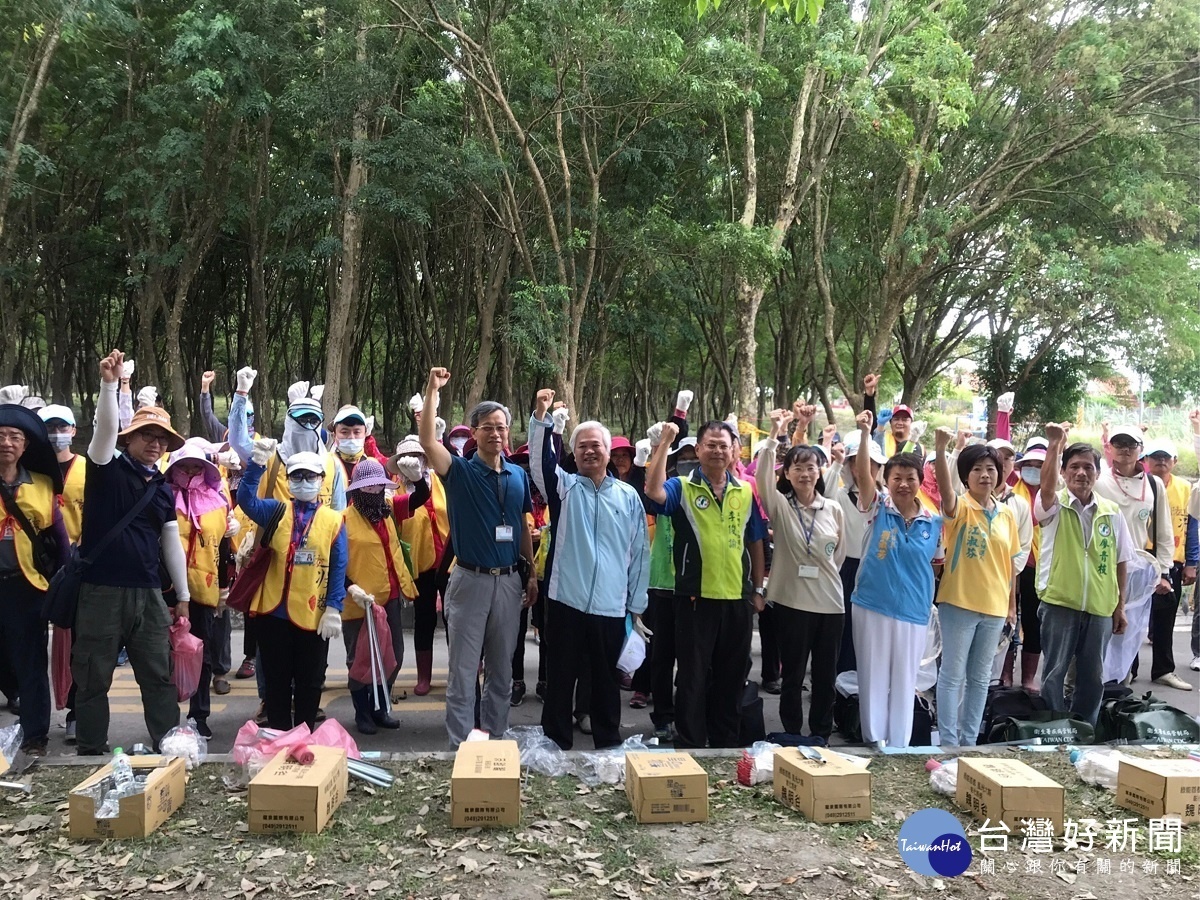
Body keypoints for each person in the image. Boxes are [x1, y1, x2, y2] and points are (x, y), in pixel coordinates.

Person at [73, 349, 190, 756]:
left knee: (159, 675)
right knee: (92, 675)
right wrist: (110, 384)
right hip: (101, 590)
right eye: (147, 436)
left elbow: (170, 540)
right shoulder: (105, 468)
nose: (155, 444)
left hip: (149, 594)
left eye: (162, 439)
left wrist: (184, 596)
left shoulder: (162, 488)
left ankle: (169, 747)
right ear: (130, 439)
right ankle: (89, 748)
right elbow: (103, 432)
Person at [419, 367, 537, 748]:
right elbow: (427, 442)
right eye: (487, 426)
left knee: (502, 672)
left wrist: (531, 575)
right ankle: (461, 748)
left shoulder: (517, 476)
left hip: (509, 582)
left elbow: (520, 527)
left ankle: (496, 739)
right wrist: (432, 390)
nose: (496, 433)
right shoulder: (460, 472)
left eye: (501, 427)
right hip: (469, 582)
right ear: (474, 433)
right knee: (464, 672)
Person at [528, 390, 649, 749]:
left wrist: (637, 604)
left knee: (605, 681)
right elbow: (539, 464)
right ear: (574, 453)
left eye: (595, 445)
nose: (589, 451)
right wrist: (542, 419)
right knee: (561, 677)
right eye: (581, 446)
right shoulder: (565, 488)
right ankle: (554, 744)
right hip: (566, 600)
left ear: (608, 452)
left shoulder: (627, 497)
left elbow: (640, 552)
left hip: (611, 606)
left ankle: (608, 742)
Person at [644, 419, 767, 749]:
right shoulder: (682, 487)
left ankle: (725, 744)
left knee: (731, 677)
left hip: (737, 600)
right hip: (695, 599)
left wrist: (758, 589)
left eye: (723, 445)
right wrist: (665, 445)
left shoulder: (744, 491)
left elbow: (755, 541)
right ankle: (691, 744)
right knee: (692, 678)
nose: (716, 450)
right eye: (710, 445)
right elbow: (653, 492)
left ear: (733, 451)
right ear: (698, 450)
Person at [848, 410, 943, 750]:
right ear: (886, 480)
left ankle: (899, 745)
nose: (903, 483)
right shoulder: (877, 508)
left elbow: (936, 564)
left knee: (905, 680)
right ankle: (874, 739)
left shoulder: (933, 522)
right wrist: (864, 434)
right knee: (873, 676)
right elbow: (862, 475)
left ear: (920, 481)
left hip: (914, 612)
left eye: (910, 477)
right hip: (872, 604)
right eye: (896, 477)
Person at [237, 441, 347, 730]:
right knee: (276, 682)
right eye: (296, 476)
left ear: (322, 480)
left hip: (313, 614)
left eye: (310, 476)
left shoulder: (334, 520)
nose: (304, 482)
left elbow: (338, 566)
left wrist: (335, 607)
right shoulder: (275, 510)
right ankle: (279, 736)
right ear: (288, 481)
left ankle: (305, 736)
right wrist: (257, 465)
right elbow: (246, 500)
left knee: (311, 682)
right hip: (272, 612)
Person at [756, 407, 846, 740]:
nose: (806, 473)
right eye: (798, 468)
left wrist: (820, 575)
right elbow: (763, 477)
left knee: (825, 675)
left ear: (819, 471)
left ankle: (821, 732)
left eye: (811, 467)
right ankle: (792, 732)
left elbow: (838, 555)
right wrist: (773, 434)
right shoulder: (780, 505)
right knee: (792, 676)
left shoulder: (832, 508)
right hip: (792, 605)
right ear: (789, 474)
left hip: (830, 606)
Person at [1035, 425, 1132, 724]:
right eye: (1074, 467)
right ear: (1063, 473)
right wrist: (1054, 446)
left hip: (1100, 608)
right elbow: (1047, 489)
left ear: (1097, 473)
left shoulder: (1111, 511)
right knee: (1054, 672)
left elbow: (1121, 560)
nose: (1081, 473)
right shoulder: (1052, 505)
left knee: (1093, 676)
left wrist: (1119, 606)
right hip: (1060, 603)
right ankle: (1053, 729)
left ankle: (1084, 729)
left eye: (1088, 467)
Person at [932, 428, 1021, 746]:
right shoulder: (960, 508)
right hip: (958, 603)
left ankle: (969, 742)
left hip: (994, 608)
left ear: (1000, 475)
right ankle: (948, 741)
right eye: (977, 470)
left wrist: (1011, 606)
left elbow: (1011, 562)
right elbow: (945, 489)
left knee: (980, 678)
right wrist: (942, 450)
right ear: (966, 476)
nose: (985, 475)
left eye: (991, 469)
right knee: (952, 674)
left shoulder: (1008, 514)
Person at [0, 404, 69, 755]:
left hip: (27, 587)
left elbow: (59, 536)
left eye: (15, 437)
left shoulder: (42, 485)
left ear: (25, 446)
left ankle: (34, 736)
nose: (7, 443)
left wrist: (67, 580)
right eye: (0, 436)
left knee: (30, 661)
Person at [340, 458, 421, 734]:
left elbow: (419, 497)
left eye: (378, 486)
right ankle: (362, 712)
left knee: (392, 655)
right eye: (368, 487)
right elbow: (335, 562)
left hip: (390, 597)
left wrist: (418, 477)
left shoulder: (386, 513)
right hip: (359, 601)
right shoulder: (343, 520)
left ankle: (380, 706)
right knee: (361, 659)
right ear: (358, 490)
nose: (374, 491)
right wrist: (349, 587)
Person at [1095, 424, 1177, 688]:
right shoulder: (1099, 480)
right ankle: (1100, 687)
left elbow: (1163, 532)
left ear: (1141, 450)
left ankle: (1121, 689)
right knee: (1102, 631)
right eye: (1119, 444)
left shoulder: (1153, 484)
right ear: (1109, 448)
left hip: (1138, 571)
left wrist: (1163, 573)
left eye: (1131, 445)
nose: (1126, 450)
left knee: (1130, 633)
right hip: (1103, 567)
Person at [164, 440, 235, 739]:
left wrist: (222, 589)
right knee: (164, 656)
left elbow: (221, 549)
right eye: (184, 466)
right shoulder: (163, 497)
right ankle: (166, 717)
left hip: (204, 591)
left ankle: (199, 715)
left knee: (202, 655)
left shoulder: (218, 502)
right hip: (166, 590)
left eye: (196, 466)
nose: (190, 471)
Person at [386, 435, 447, 697]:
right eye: (407, 459)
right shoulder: (393, 492)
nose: (414, 462)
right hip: (419, 564)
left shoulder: (441, 481)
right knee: (424, 620)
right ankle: (424, 676)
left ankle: (463, 670)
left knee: (456, 619)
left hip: (450, 560)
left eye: (419, 457)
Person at [1141, 439, 1195, 686]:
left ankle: (1163, 670)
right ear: (1146, 460)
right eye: (1156, 456)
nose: (1161, 461)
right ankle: (1125, 669)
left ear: (1175, 461)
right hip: (1139, 558)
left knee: (1166, 617)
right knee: (1130, 617)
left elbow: (1193, 527)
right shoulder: (1137, 485)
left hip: (1171, 560)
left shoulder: (1185, 488)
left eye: (1166, 457)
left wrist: (1192, 561)